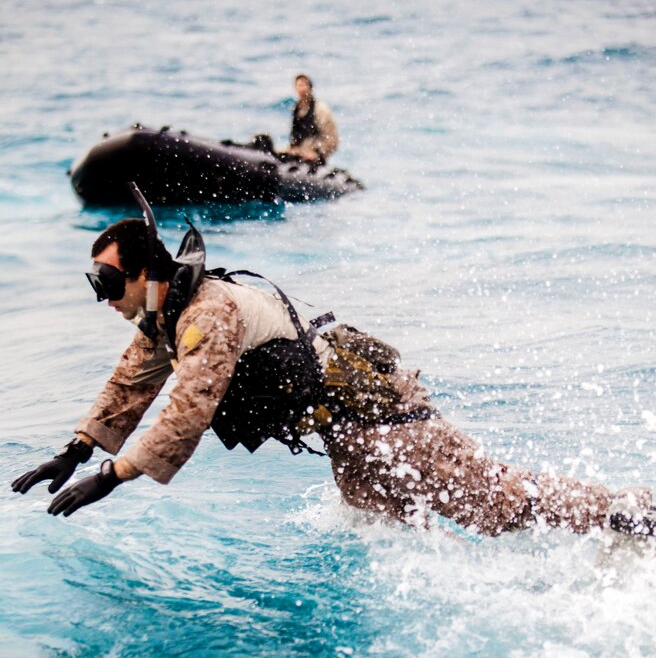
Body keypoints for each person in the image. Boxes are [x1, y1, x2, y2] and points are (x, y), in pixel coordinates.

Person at [10, 200, 656, 549]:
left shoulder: (209, 312)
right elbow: (132, 382)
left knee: (497, 503)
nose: (103, 297)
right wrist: (77, 449)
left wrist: (112, 477)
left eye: (109, 281)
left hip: (383, 418)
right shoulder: (166, 315)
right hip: (349, 435)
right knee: (388, 534)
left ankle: (635, 513)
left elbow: (189, 405)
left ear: (146, 272)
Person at [285, 74, 339, 164]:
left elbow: (332, 138)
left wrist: (319, 153)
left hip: (315, 156)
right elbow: (296, 135)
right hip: (300, 153)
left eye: (304, 85)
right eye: (299, 85)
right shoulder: (297, 109)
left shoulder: (320, 109)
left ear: (310, 87)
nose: (301, 89)